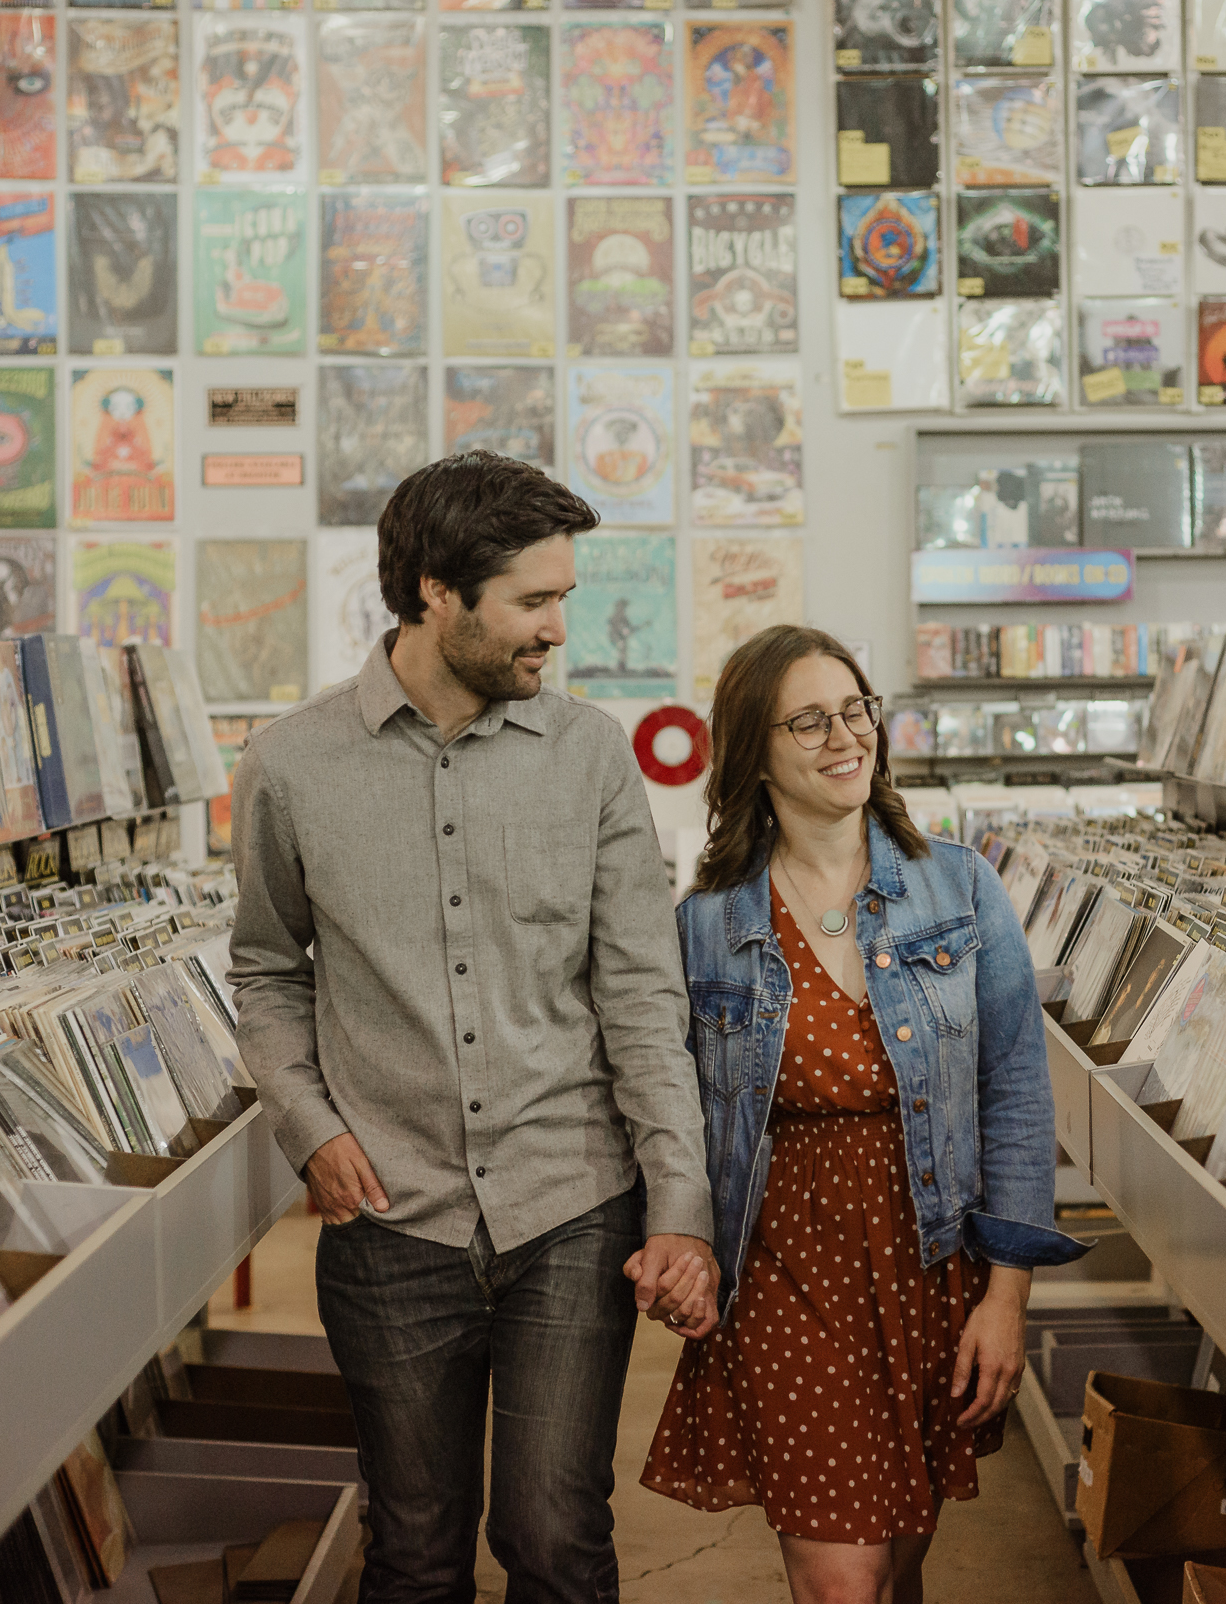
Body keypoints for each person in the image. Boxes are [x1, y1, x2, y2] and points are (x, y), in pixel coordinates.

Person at [229, 451, 719, 1604]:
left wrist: (680, 1205)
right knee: (412, 1547)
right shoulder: (289, 765)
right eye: (533, 602)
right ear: (437, 592)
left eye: (563, 599)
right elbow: (262, 970)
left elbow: (643, 997)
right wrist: (306, 1123)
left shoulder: (590, 755)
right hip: (390, 1218)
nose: (557, 630)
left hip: (572, 1208)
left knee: (555, 1538)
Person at [643, 625, 1087, 1604]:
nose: (844, 736)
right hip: (783, 1265)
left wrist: (1006, 1297)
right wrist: (670, 1236)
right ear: (753, 748)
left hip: (929, 1257)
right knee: (841, 1578)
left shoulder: (960, 885)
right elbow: (664, 1098)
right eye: (809, 720)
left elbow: (1015, 1093)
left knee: (894, 1560)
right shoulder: (709, 922)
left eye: (854, 709)